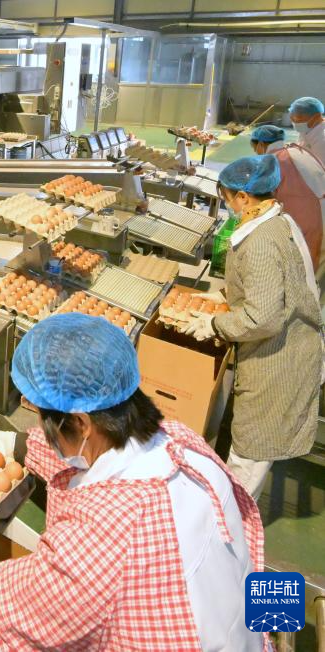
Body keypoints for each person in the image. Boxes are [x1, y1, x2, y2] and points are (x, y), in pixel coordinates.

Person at [0, 313, 265, 651]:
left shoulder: (97, 550)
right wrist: (17, 445)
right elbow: (95, 455)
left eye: (44, 419)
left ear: (81, 423)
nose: (41, 427)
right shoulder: (184, 445)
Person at [184, 155, 322, 499]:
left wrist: (215, 324)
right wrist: (227, 295)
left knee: (250, 455)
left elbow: (263, 317)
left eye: (228, 197)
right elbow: (274, 285)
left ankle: (233, 524)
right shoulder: (278, 219)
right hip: (289, 344)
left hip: (280, 361)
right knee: (249, 444)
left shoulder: (260, 240)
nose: (227, 204)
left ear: (244, 197)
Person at [250, 124, 325, 272]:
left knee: (300, 270)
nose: (256, 153)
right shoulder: (298, 150)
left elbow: (260, 199)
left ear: (260, 144)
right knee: (313, 268)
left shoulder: (272, 160)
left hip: (308, 219)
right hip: (320, 214)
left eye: (255, 149)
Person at [288, 96, 325, 164]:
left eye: (299, 120)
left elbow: (320, 167)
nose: (295, 123)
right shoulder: (308, 128)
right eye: (292, 119)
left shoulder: (322, 138)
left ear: (316, 117)